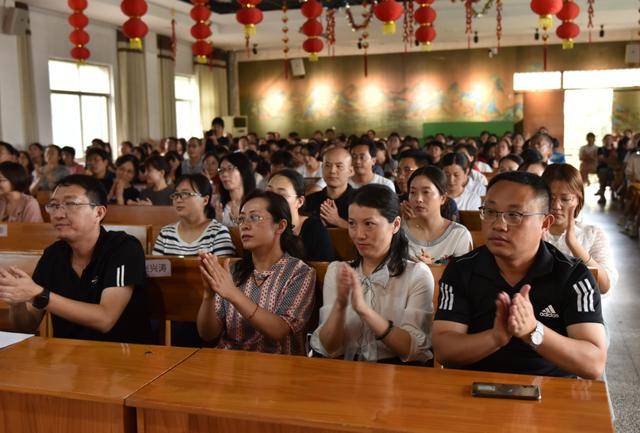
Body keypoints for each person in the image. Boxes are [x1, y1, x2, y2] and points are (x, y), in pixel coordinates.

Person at [432, 171, 607, 379]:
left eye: (514, 215)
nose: (498, 224)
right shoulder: (461, 269)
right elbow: (444, 350)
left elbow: (594, 364)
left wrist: (533, 331)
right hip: (472, 387)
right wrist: (495, 338)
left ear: (545, 223)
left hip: (551, 393)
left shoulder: (573, 276)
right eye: (490, 212)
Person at [0, 174, 151, 343]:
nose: (58, 214)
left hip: (125, 359)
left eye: (70, 204)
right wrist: (17, 301)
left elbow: (105, 319)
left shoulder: (124, 248)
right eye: (54, 205)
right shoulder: (53, 255)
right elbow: (26, 327)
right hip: (69, 361)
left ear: (99, 212)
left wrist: (39, 294)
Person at [310, 184, 434, 364]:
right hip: (343, 370)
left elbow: (412, 349)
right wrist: (340, 305)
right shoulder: (338, 270)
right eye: (352, 223)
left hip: (396, 372)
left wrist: (364, 310)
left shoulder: (416, 275)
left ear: (396, 225)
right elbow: (329, 348)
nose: (359, 235)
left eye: (369, 224)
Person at [196, 190, 316, 355]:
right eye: (241, 218)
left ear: (280, 226)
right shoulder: (233, 270)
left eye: (254, 217)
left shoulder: (300, 272)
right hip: (230, 363)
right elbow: (208, 334)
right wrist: (208, 295)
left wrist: (232, 293)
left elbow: (279, 330)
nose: (244, 225)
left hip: (278, 369)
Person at [542, 164, 617, 294]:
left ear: (578, 200)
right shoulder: (529, 232)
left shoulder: (592, 234)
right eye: (550, 198)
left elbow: (603, 286)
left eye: (565, 199)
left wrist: (575, 246)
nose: (556, 206)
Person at [153, 173, 235, 257]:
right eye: (176, 194)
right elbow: (156, 268)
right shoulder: (166, 233)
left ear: (205, 200)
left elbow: (224, 268)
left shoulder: (217, 232)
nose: (178, 200)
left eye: (186, 194)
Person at [403, 167, 472, 265]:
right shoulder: (399, 231)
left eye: (426, 192)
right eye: (413, 192)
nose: (418, 199)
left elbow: (463, 277)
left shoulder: (458, 235)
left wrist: (434, 268)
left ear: (443, 198)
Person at [267, 169, 334, 261]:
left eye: (281, 195)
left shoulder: (314, 229)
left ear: (299, 202)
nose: (272, 199)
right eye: (269, 192)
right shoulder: (259, 225)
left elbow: (322, 269)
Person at [303, 146, 355, 229]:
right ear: (322, 168)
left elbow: (368, 233)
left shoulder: (361, 201)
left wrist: (338, 221)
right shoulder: (310, 201)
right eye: (327, 165)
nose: (332, 171)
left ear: (351, 171)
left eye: (339, 166)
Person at [215, 153, 256, 227]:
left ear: (243, 171)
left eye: (230, 169)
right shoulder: (220, 205)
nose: (224, 174)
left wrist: (238, 222)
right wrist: (218, 223)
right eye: (221, 170)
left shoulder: (255, 204)